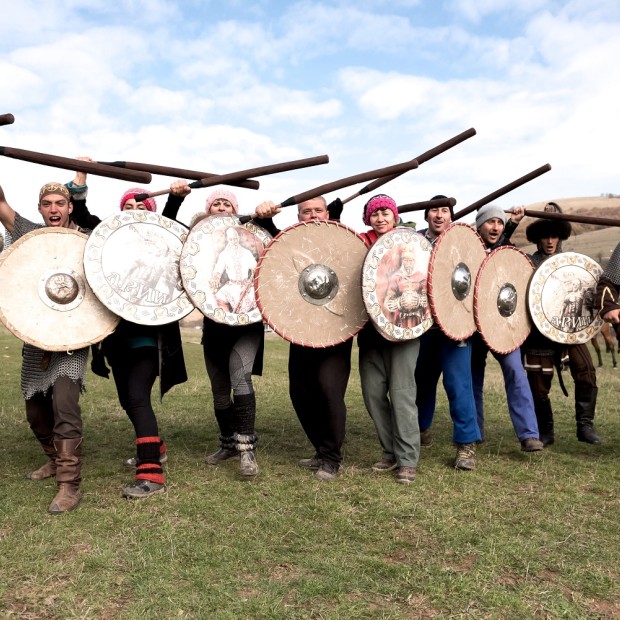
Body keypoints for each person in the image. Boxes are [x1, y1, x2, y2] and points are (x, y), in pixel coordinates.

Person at [70, 174, 189, 498]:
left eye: (139, 205)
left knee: (137, 398)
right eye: (127, 205)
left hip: (147, 338)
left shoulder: (159, 242)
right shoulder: (110, 240)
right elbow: (83, 217)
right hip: (116, 338)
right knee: (127, 399)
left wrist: (175, 198)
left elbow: (168, 227)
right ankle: (157, 447)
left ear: (148, 210)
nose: (132, 208)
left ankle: (151, 473)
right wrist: (80, 181)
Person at [0, 180, 89, 514]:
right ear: (40, 209)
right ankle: (54, 459)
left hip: (73, 338)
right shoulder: (31, 235)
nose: (54, 209)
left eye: (60, 203)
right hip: (37, 336)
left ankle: (69, 485)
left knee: (65, 406)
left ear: (70, 207)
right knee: (36, 412)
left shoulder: (87, 242)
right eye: (47, 204)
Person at [254, 196, 350, 482]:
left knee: (328, 390)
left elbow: (350, 254)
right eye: (306, 212)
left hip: (335, 331)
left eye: (317, 210)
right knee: (300, 392)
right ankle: (321, 450)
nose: (312, 215)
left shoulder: (339, 240)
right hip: (303, 330)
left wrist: (337, 218)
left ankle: (332, 458)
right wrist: (266, 218)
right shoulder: (295, 242)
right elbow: (278, 244)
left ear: (327, 213)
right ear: (298, 218)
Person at [186, 188, 264, 479]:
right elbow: (207, 274)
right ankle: (228, 444)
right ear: (209, 210)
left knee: (239, 377)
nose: (220, 206)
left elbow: (262, 268)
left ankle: (246, 451)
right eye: (215, 203)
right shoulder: (200, 243)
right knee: (219, 390)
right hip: (215, 321)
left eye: (226, 203)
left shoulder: (252, 239)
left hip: (246, 320)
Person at [523, 204, 601, 445]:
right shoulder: (527, 263)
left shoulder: (573, 265)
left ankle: (585, 426)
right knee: (538, 384)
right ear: (537, 239)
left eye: (554, 236)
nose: (549, 241)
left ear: (560, 237)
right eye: (545, 236)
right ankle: (545, 431)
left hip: (570, 329)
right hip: (539, 332)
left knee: (586, 370)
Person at [415, 196, 482, 470]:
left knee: (458, 384)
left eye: (444, 210)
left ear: (451, 216)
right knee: (422, 381)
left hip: (455, 327)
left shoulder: (463, 242)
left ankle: (466, 445)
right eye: (434, 210)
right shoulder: (413, 243)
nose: (439, 215)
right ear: (426, 216)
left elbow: (478, 275)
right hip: (421, 325)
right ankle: (419, 430)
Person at [357, 194, 420, 484]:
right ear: (367, 218)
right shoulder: (358, 244)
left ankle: (407, 460)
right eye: (375, 213)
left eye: (386, 213)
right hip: (370, 331)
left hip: (404, 329)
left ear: (394, 216)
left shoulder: (411, 245)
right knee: (372, 393)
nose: (381, 218)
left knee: (403, 392)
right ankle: (390, 451)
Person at [472, 204, 543, 451]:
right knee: (473, 379)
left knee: (515, 371)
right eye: (490, 222)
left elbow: (515, 272)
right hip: (473, 326)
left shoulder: (508, 250)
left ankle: (529, 434)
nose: (495, 227)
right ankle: (475, 431)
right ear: (479, 224)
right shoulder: (469, 249)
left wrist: (512, 222)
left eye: (499, 223)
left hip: (502, 325)